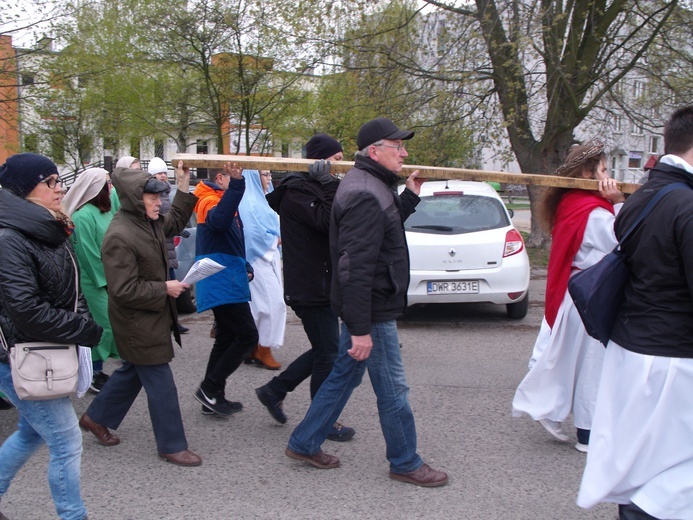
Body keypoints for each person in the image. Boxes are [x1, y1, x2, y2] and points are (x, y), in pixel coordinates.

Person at [285, 117, 448, 487]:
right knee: (393, 388)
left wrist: (411, 194)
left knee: (344, 375)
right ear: (375, 151)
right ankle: (406, 461)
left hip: (370, 303)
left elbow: (385, 229)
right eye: (398, 147)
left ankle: (304, 441)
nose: (405, 153)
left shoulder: (372, 184)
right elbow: (354, 268)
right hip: (372, 309)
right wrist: (360, 329)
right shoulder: (364, 192)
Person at [577, 106, 693, 519]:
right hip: (672, 361)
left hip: (634, 351)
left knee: (643, 465)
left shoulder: (645, 194)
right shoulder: (685, 203)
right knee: (673, 476)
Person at [78, 162, 202, 467]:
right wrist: (164, 288)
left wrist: (183, 186)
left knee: (133, 371)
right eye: (152, 198)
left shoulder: (148, 220)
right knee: (161, 384)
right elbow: (122, 290)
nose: (158, 203)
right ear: (135, 198)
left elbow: (173, 220)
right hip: (136, 321)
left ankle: (95, 418)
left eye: (159, 197)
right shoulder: (119, 235)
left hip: (149, 317)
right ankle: (172, 445)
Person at [0, 153, 103, 520]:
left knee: (31, 432)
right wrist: (87, 330)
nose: (60, 189)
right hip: (18, 355)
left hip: (40, 349)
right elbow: (26, 310)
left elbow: (66, 292)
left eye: (60, 181)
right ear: (27, 189)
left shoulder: (47, 228)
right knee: (67, 442)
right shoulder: (10, 237)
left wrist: (82, 323)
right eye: (51, 182)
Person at [511, 140, 625, 452]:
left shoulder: (574, 202)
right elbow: (624, 242)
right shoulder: (593, 211)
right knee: (590, 364)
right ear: (588, 172)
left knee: (567, 359)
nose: (608, 173)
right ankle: (587, 433)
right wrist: (617, 203)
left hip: (579, 292)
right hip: (591, 294)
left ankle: (554, 410)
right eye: (603, 168)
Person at [255, 133, 355, 441]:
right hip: (309, 286)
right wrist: (329, 185)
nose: (340, 167)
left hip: (323, 282)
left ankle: (275, 390)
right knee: (330, 353)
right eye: (336, 161)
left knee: (329, 349)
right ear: (319, 162)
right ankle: (321, 420)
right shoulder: (297, 191)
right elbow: (327, 221)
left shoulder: (314, 188)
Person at [192, 163, 259, 417]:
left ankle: (213, 396)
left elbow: (231, 239)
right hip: (222, 279)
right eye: (231, 177)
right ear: (221, 177)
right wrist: (238, 184)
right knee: (247, 336)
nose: (236, 181)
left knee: (227, 337)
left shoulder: (218, 197)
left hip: (227, 275)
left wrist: (246, 265)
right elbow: (219, 223)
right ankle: (208, 388)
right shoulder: (207, 199)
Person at [62, 168, 120, 393]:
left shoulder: (104, 211)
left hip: (110, 278)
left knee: (111, 324)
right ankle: (92, 373)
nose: (110, 188)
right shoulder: (82, 215)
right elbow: (87, 254)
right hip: (93, 281)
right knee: (102, 325)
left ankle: (100, 368)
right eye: (107, 184)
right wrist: (104, 280)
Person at [238, 170, 284, 369]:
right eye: (264, 175)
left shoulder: (263, 198)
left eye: (269, 174)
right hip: (258, 257)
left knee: (263, 305)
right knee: (272, 304)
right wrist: (276, 240)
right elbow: (252, 232)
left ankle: (253, 346)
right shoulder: (249, 201)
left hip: (269, 255)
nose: (269, 178)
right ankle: (263, 347)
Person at [148, 158, 188, 334]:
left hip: (169, 246)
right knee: (166, 286)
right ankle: (168, 322)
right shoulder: (156, 196)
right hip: (162, 247)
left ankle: (173, 322)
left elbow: (171, 218)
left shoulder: (165, 193)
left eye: (165, 173)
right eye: (159, 173)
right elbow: (165, 220)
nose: (163, 176)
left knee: (171, 285)